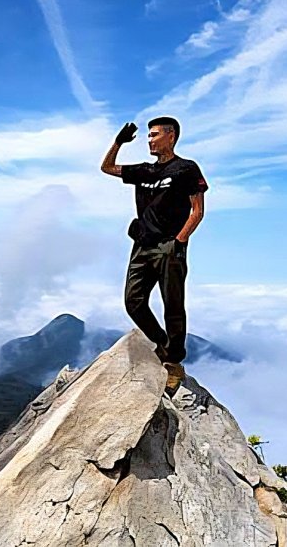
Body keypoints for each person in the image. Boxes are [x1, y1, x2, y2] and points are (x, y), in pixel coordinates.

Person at [100, 116, 207, 392]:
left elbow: (197, 210)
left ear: (171, 136)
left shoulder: (186, 169)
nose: (150, 140)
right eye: (148, 135)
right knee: (133, 302)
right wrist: (118, 142)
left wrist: (179, 241)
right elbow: (107, 167)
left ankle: (173, 363)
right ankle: (163, 344)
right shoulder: (144, 171)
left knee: (173, 305)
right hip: (142, 246)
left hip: (169, 246)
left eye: (155, 135)